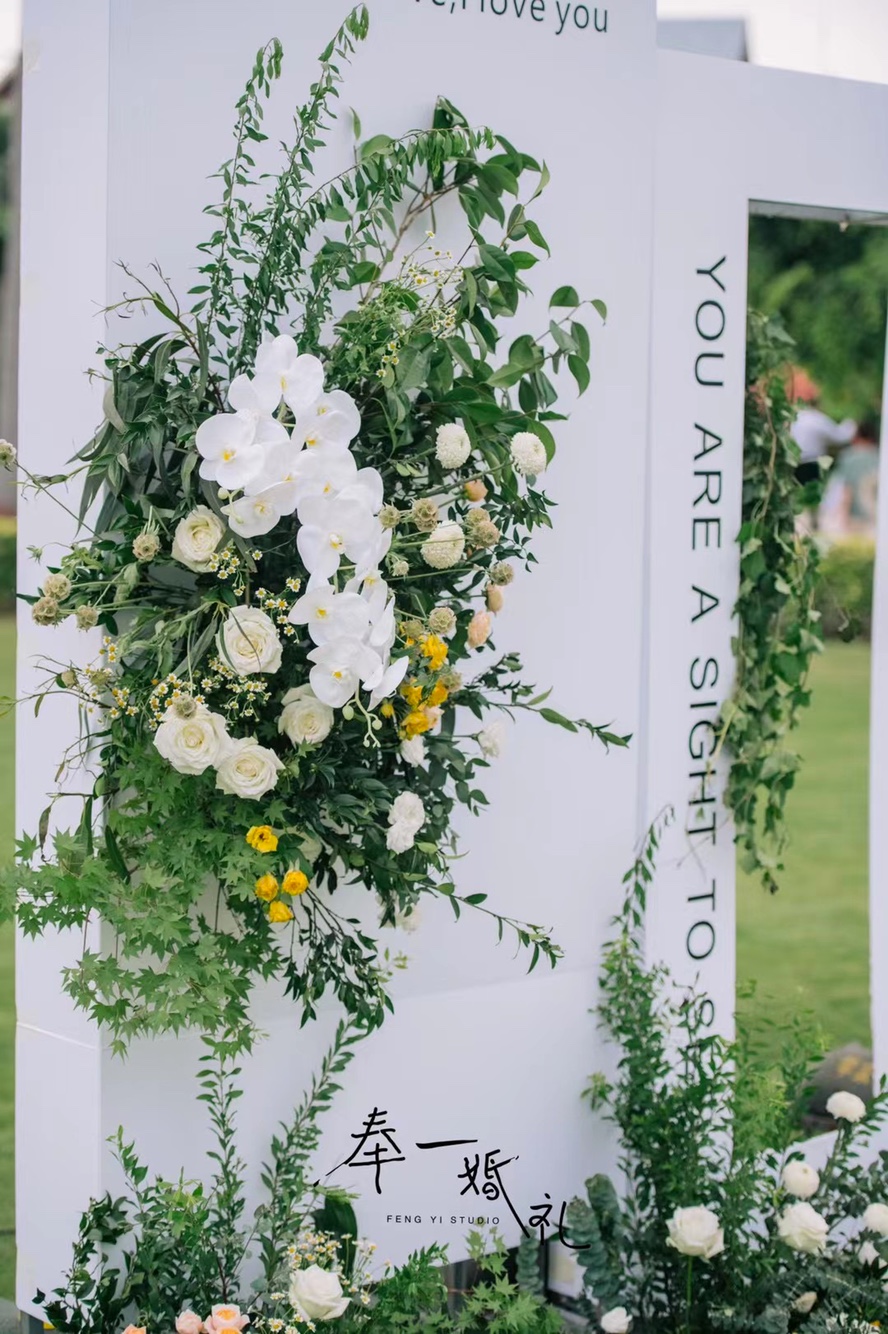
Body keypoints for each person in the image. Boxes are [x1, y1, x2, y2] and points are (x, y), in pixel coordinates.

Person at [788, 368, 857, 486]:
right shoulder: (816, 418)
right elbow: (841, 437)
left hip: (793, 468)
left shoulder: (794, 419)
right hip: (812, 467)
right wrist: (852, 422)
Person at [828, 418, 880, 540]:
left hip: (855, 519)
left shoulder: (849, 457)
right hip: (875, 519)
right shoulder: (880, 457)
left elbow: (846, 491)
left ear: (856, 437)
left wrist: (842, 522)